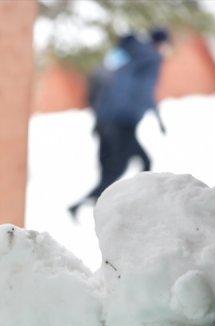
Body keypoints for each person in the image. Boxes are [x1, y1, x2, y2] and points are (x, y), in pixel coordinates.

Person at [69, 28, 171, 219]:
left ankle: (85, 206)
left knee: (113, 169)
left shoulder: (130, 56)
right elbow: (145, 91)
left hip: (106, 120)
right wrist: (158, 118)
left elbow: (112, 86)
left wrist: (100, 120)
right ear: (162, 43)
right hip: (123, 122)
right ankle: (138, 208)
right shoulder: (152, 59)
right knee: (133, 165)